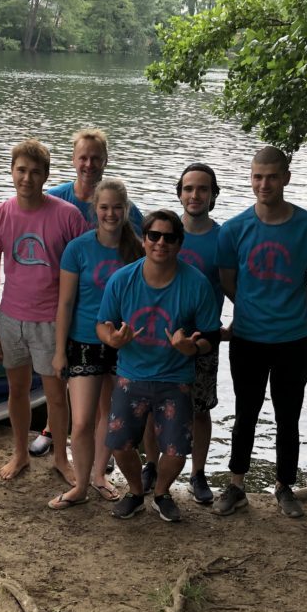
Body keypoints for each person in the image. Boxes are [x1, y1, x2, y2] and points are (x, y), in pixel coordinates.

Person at [214, 146, 307, 518]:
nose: (263, 184)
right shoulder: (234, 229)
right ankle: (236, 486)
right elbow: (228, 282)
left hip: (293, 339)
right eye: (257, 177)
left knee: (288, 415)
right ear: (250, 179)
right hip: (248, 338)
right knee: (245, 413)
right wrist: (253, 309)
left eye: (271, 176)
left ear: (286, 177)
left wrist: (289, 306)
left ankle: (285, 486)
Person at [28, 129, 147, 459]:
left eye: (96, 158)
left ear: (105, 161)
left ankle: (98, 455)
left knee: (98, 392)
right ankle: (52, 430)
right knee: (59, 377)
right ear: (73, 159)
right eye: (83, 157)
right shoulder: (56, 198)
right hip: (59, 300)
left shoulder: (125, 209)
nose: (89, 164)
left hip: (103, 311)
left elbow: (140, 255)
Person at [97, 209, 222, 523]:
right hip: (131, 374)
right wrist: (112, 339)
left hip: (176, 377)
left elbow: (211, 334)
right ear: (144, 239)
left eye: (169, 237)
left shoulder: (196, 283)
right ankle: (137, 493)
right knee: (118, 444)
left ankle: (162, 494)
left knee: (177, 450)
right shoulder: (122, 279)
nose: (161, 243)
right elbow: (103, 324)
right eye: (154, 235)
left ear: (179, 243)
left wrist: (191, 347)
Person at [0, 139, 88, 484]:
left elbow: (81, 274)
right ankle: (20, 453)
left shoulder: (67, 216)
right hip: (11, 318)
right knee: (17, 390)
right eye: (21, 170)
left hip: (51, 320)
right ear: (11, 172)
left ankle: (61, 457)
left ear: (46, 175)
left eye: (35, 172)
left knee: (56, 395)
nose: (27, 178)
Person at [49, 178, 144, 510]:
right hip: (84, 341)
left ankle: (100, 477)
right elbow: (64, 303)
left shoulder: (136, 249)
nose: (111, 214)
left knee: (111, 413)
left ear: (127, 210)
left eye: (118, 208)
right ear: (95, 210)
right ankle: (80, 484)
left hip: (124, 344)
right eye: (104, 208)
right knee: (82, 420)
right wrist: (60, 351)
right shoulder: (78, 248)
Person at [141, 163, 225, 506]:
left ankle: (198, 473)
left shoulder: (223, 238)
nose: (195, 195)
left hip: (203, 339)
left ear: (213, 195)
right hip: (158, 336)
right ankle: (150, 464)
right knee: (150, 405)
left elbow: (234, 284)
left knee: (199, 408)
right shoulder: (164, 232)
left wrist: (237, 326)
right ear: (179, 193)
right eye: (188, 188)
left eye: (202, 189)